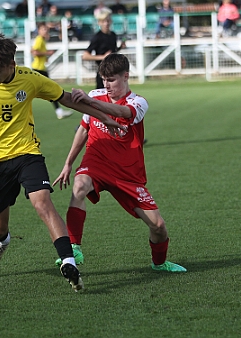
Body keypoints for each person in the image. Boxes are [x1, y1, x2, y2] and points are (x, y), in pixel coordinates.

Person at [0, 33, 125, 292]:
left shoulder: (31, 79)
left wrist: (105, 117)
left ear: (12, 63)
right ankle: (3, 240)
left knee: (42, 202)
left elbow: (66, 98)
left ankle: (68, 262)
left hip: (27, 154)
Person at [52, 53, 186, 273]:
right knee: (79, 186)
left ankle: (160, 264)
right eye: (104, 79)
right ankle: (74, 247)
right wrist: (68, 163)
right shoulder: (96, 95)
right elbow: (84, 130)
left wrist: (89, 101)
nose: (106, 85)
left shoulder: (138, 102)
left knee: (158, 226)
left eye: (111, 80)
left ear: (126, 76)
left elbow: (124, 112)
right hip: (96, 161)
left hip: (127, 173)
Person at [31, 22, 73, 119]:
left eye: (46, 29)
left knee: (49, 90)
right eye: (43, 29)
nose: (46, 31)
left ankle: (59, 111)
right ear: (39, 30)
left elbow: (34, 51)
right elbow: (34, 52)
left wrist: (44, 56)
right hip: (38, 69)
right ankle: (59, 111)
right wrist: (47, 53)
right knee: (51, 89)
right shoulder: (39, 39)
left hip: (40, 68)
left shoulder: (42, 40)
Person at [82, 8, 125, 89]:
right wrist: (103, 57)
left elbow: (112, 52)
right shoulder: (97, 37)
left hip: (114, 72)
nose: (106, 23)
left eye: (108, 21)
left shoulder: (113, 35)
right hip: (103, 73)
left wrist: (120, 48)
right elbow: (85, 56)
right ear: (99, 23)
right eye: (103, 21)